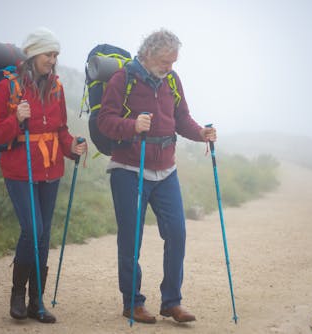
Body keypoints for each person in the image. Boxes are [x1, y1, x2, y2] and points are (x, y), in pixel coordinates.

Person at [97, 28, 217, 324]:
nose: (170, 68)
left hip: (166, 170)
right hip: (129, 169)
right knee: (131, 239)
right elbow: (105, 121)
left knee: (177, 232)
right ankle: (133, 303)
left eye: (173, 62)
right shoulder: (122, 79)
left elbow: (181, 119)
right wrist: (132, 126)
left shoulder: (172, 81)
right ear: (148, 54)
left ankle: (171, 302)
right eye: (165, 61)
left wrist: (201, 133)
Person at [0, 27, 87, 323]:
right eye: (48, 54)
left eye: (56, 55)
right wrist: (16, 119)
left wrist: (73, 146)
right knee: (32, 230)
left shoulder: (56, 87)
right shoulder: (8, 87)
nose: (53, 60)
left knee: (43, 237)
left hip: (51, 170)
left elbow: (61, 130)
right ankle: (17, 295)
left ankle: (36, 302)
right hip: (19, 171)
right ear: (33, 54)